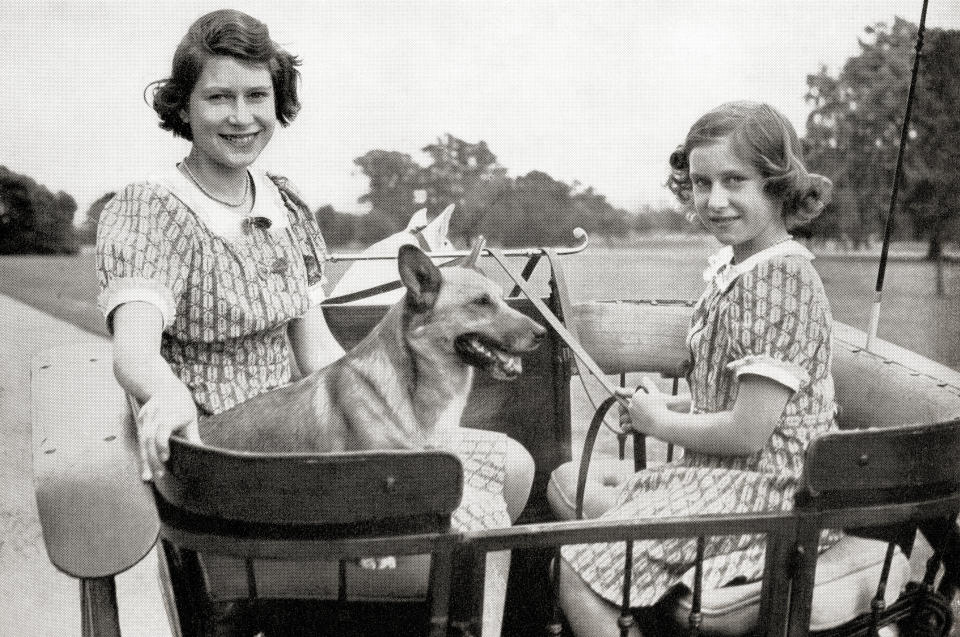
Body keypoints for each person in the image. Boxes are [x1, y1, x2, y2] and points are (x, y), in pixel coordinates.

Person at [96, 9, 533, 634]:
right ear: (183, 107)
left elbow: (318, 352)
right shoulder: (148, 210)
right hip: (232, 461)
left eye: (257, 96)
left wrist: (399, 411)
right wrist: (164, 393)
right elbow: (133, 350)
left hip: (312, 437)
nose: (241, 116)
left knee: (510, 467)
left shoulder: (285, 204)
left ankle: (421, 611)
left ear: (279, 103)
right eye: (219, 97)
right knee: (454, 492)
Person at [553, 101, 840, 636]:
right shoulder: (742, 270)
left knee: (573, 570)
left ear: (777, 185)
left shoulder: (779, 281)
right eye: (701, 182)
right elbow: (739, 401)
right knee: (573, 495)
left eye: (735, 181)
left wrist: (657, 424)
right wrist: (668, 407)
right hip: (727, 478)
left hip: (771, 495)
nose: (715, 200)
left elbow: (750, 432)